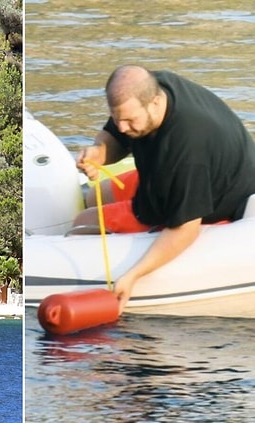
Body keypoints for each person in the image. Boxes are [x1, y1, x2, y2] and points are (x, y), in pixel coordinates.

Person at [75, 64, 255, 314]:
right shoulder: (149, 88)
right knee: (97, 194)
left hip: (213, 195)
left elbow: (185, 228)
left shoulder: (188, 149)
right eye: (119, 119)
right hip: (162, 173)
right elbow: (115, 137)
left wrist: (133, 275)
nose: (124, 127)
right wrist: (97, 154)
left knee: (82, 223)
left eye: (129, 120)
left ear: (156, 103)